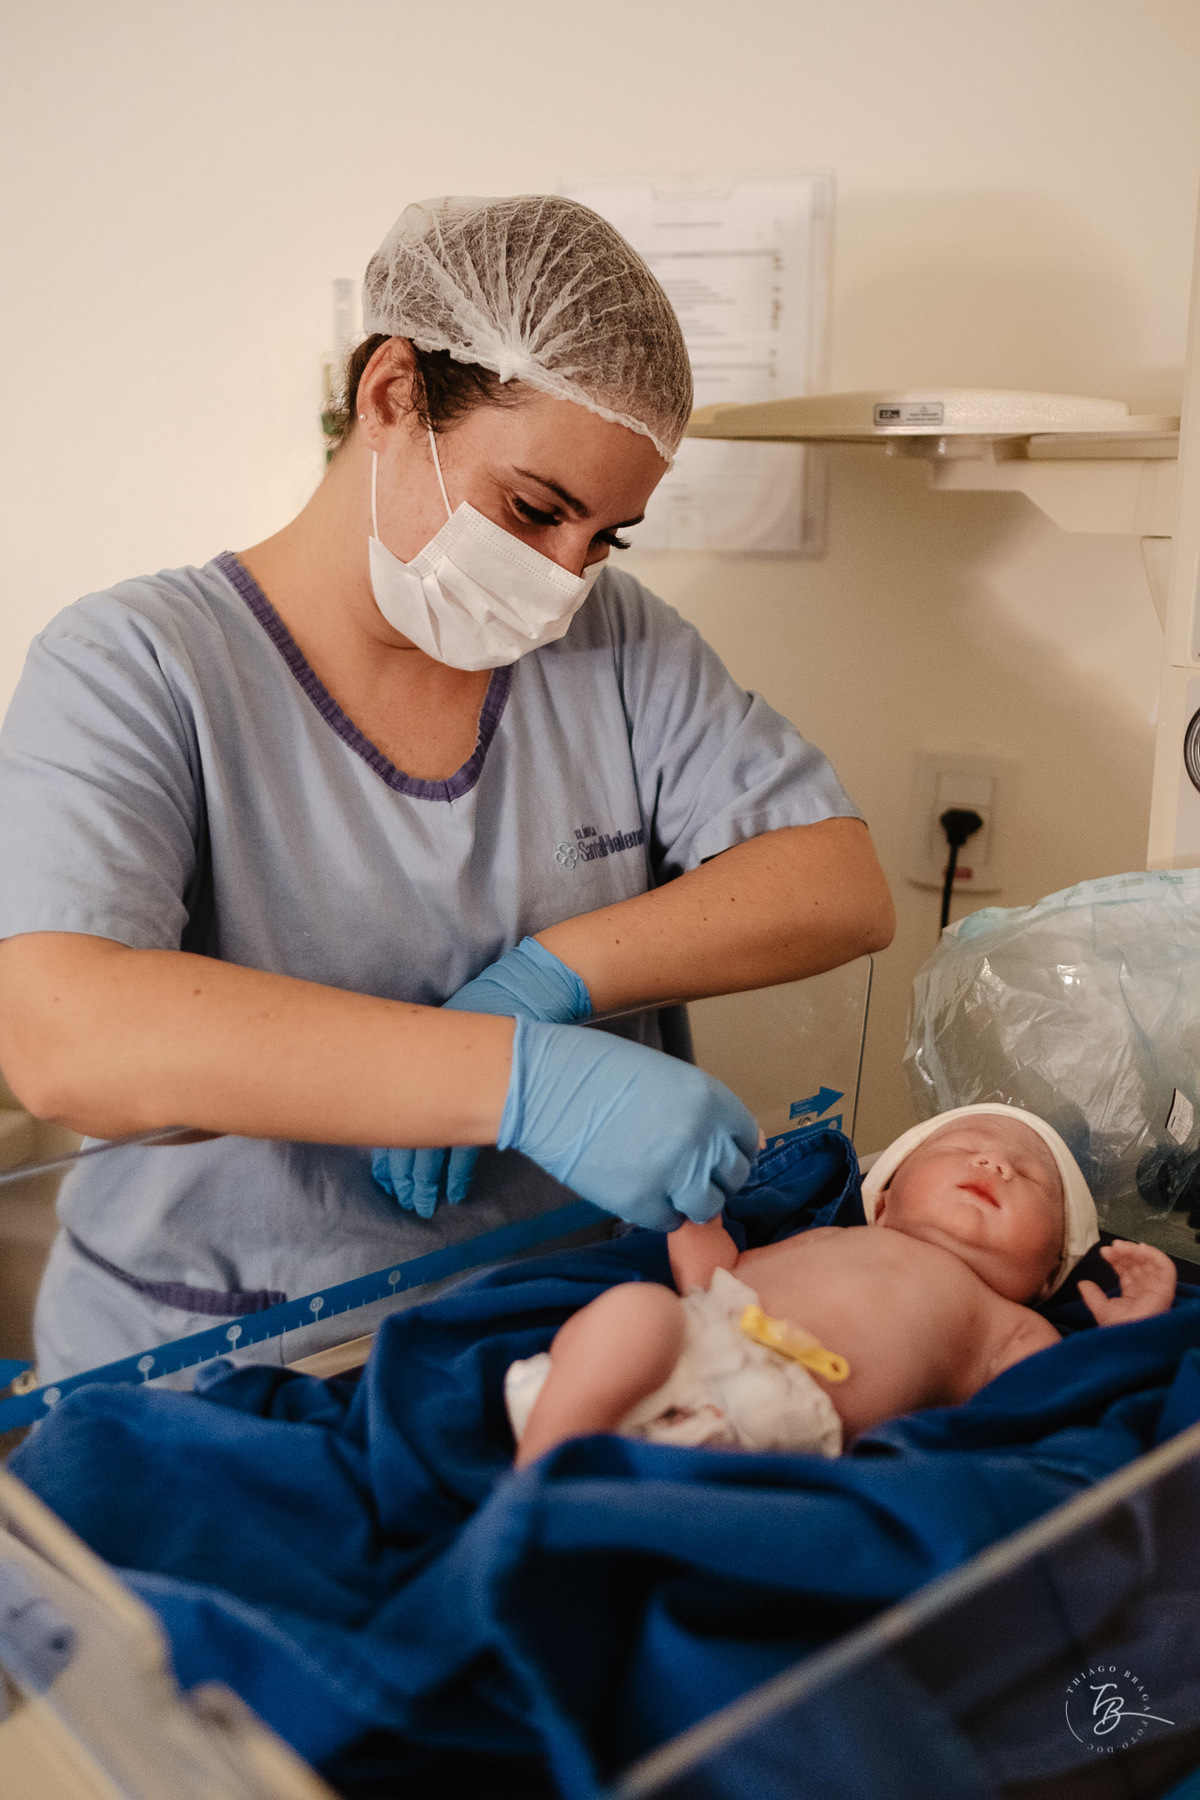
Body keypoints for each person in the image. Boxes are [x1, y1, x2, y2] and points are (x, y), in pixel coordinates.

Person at [0, 195, 893, 1381]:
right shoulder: (138, 662)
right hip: (229, 1359)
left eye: (607, 536)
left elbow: (835, 881)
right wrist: (515, 1085)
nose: (566, 576)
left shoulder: (611, 645)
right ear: (390, 396)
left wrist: (553, 979)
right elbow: (65, 1036)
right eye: (534, 508)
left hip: (558, 1327)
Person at [507, 1104, 1176, 1465]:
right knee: (639, 1308)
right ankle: (548, 1461)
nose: (992, 1160)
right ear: (881, 1201)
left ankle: (575, 1486)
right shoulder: (835, 1237)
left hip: (782, 1421)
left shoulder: (1009, 1320)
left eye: (1029, 1177)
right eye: (957, 1147)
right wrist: (692, 1202)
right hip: (679, 1354)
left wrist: (1124, 1339)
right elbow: (715, 1278)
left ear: (1047, 1274)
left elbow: (1050, 1397)